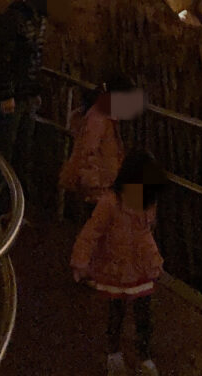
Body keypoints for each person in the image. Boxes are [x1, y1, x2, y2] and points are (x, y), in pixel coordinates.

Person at [0, 0, 64, 209]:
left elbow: (35, 60)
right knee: (2, 151)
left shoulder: (39, 20)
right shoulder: (13, 19)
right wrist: (5, 94)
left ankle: (14, 209)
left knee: (23, 152)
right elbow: (1, 59)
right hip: (9, 99)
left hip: (26, 97)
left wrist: (35, 92)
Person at [71, 149, 167, 376]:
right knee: (117, 312)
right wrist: (80, 261)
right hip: (117, 267)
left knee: (144, 314)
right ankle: (114, 355)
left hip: (140, 264)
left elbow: (146, 232)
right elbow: (91, 233)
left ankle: (143, 356)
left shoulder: (146, 200)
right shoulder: (111, 203)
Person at [59, 74, 141, 208]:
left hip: (104, 180)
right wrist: (93, 183)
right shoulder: (99, 118)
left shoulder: (108, 117)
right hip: (98, 184)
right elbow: (88, 150)